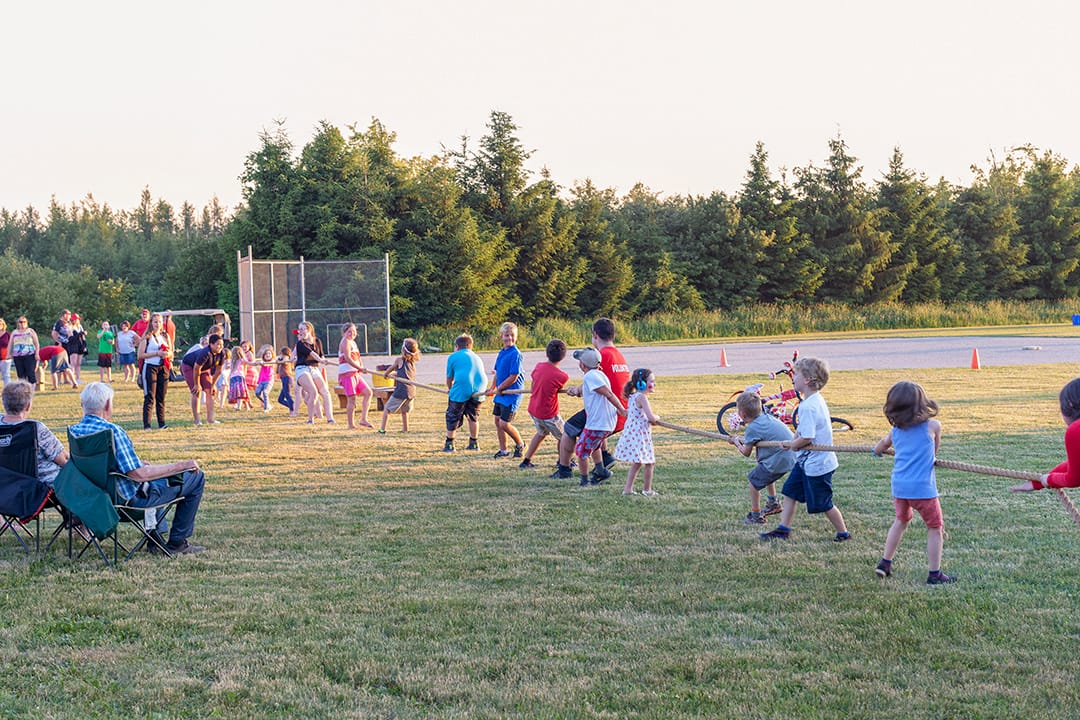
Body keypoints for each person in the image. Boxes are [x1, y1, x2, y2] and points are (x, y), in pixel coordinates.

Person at [69, 382, 207, 554]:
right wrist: (181, 466)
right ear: (107, 404)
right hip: (127, 504)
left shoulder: (75, 432)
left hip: (97, 500)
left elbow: (100, 467)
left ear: (83, 405)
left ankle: (155, 538)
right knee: (195, 478)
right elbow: (138, 475)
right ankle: (178, 542)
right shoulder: (112, 432)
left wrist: (138, 464)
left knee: (154, 478)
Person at [760, 356, 851, 542]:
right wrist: (792, 440)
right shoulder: (813, 400)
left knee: (823, 503)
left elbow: (808, 437)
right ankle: (783, 529)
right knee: (790, 492)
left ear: (807, 379)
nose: (793, 376)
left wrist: (792, 445)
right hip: (806, 462)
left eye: (797, 373)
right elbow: (802, 431)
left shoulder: (808, 406)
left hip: (818, 464)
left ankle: (843, 533)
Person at [872, 381, 954, 584]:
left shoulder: (896, 432)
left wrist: (877, 451)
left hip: (899, 488)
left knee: (901, 521)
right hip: (923, 489)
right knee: (935, 527)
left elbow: (880, 446)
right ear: (922, 404)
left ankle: (885, 563)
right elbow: (934, 452)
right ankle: (935, 574)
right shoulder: (933, 426)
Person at [552, 317, 630, 479]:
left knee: (570, 429)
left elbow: (595, 381)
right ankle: (605, 458)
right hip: (618, 410)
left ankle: (564, 470)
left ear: (595, 335)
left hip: (613, 411)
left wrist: (577, 390)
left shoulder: (602, 355)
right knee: (591, 428)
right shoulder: (618, 355)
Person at [725, 390, 793, 523]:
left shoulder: (753, 428)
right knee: (764, 470)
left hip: (779, 460)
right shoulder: (766, 417)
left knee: (753, 483)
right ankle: (773, 503)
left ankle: (756, 515)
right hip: (789, 457)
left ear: (742, 415)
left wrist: (736, 442)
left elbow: (746, 452)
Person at [1010, 377, 1080, 493]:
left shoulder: (1076, 429)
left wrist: (1047, 479)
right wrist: (1037, 482)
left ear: (1069, 405)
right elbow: (1076, 465)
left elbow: (1074, 479)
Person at [571, 346, 626, 486]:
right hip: (604, 423)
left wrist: (621, 409)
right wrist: (575, 391)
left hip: (598, 423)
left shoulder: (591, 376)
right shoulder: (598, 374)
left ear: (582, 364)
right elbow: (587, 389)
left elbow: (608, 394)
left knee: (581, 450)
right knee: (594, 446)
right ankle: (602, 472)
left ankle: (584, 481)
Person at [0, 380, 68, 486]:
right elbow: (63, 460)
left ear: (4, 403)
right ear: (28, 405)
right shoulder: (35, 428)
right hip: (37, 491)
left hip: (5, 488)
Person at [519, 339, 569, 469]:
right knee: (564, 437)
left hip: (534, 409)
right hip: (549, 413)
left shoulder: (538, 366)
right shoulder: (562, 376)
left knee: (541, 433)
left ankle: (526, 461)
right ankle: (563, 461)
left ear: (547, 353)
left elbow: (535, 381)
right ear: (563, 356)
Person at [615, 368, 661, 495]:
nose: (654, 383)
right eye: (652, 381)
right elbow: (651, 418)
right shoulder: (642, 398)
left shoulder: (633, 396)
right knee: (650, 462)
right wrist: (657, 417)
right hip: (639, 435)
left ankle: (628, 490)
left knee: (638, 462)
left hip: (635, 433)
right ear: (642, 383)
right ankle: (647, 490)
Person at [443, 333, 486, 452]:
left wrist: (451, 389)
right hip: (480, 386)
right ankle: (474, 443)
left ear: (456, 346)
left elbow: (449, 378)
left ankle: (450, 444)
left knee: (453, 415)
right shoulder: (476, 356)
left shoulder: (453, 356)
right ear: (470, 346)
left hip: (463, 385)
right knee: (473, 416)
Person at [488, 322, 526, 459]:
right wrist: (492, 388)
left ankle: (520, 444)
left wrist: (501, 388)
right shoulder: (502, 352)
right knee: (498, 421)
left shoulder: (516, 354)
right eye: (506, 335)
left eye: (512, 335)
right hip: (501, 393)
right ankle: (503, 450)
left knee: (504, 423)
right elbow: (497, 372)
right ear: (501, 336)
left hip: (511, 394)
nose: (509, 338)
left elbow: (514, 376)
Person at [294, 321, 334, 424]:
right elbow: (312, 354)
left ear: (309, 330)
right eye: (299, 329)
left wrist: (323, 360)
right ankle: (310, 419)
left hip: (314, 369)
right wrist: (320, 360)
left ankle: (330, 419)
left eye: (303, 329)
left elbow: (320, 355)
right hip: (302, 369)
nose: (300, 332)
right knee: (313, 391)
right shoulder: (300, 344)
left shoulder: (317, 341)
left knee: (325, 392)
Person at [181, 334, 226, 426]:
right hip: (189, 366)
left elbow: (218, 370)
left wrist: (213, 385)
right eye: (218, 344)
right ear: (211, 344)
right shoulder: (205, 353)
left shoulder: (221, 353)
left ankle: (210, 419)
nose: (220, 347)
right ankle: (197, 421)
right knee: (197, 391)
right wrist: (197, 384)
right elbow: (196, 368)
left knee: (210, 391)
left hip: (204, 369)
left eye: (222, 344)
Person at [137, 312, 171, 430]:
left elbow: (171, 352)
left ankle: (162, 423)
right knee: (150, 396)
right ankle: (147, 425)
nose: (158, 324)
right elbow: (140, 355)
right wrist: (157, 353)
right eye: (155, 321)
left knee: (161, 396)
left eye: (160, 322)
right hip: (150, 367)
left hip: (163, 367)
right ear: (151, 323)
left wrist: (166, 354)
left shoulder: (165, 336)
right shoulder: (146, 336)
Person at [378, 338, 419, 434]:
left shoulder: (399, 360)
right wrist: (394, 375)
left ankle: (382, 429)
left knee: (387, 408)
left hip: (401, 390)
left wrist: (386, 374)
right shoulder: (412, 363)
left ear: (403, 350)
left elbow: (390, 369)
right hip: (411, 391)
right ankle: (405, 429)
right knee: (404, 411)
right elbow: (405, 374)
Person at [337, 324, 373, 429]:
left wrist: (361, 367)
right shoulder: (345, 342)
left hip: (355, 373)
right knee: (351, 399)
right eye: (349, 331)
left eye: (354, 331)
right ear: (344, 332)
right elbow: (348, 358)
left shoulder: (353, 342)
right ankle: (350, 424)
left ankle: (363, 419)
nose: (352, 334)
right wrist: (359, 368)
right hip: (347, 374)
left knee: (368, 392)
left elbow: (357, 357)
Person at [10, 317, 40, 385]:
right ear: (18, 323)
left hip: (29, 355)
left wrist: (37, 353)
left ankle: (31, 390)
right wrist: (9, 353)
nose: (22, 323)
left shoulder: (30, 331)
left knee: (30, 373)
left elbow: (36, 343)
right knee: (21, 375)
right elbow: (10, 344)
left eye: (24, 322)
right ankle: (22, 390)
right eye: (21, 322)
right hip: (17, 356)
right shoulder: (14, 332)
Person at [253, 344, 277, 413]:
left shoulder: (273, 362)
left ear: (272, 355)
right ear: (264, 355)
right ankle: (267, 403)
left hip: (269, 380)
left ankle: (266, 408)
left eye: (269, 353)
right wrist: (260, 363)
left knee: (265, 392)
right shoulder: (262, 361)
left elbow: (269, 364)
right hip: (261, 381)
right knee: (257, 393)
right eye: (266, 354)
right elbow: (257, 362)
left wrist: (263, 364)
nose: (268, 355)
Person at [227, 346, 252, 410]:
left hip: (239, 377)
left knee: (240, 393)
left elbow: (249, 363)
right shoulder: (231, 361)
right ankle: (246, 406)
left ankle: (239, 407)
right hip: (234, 378)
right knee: (240, 393)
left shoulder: (241, 360)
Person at [66, 313, 88, 384]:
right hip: (73, 345)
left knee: (78, 363)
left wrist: (84, 345)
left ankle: (78, 378)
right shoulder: (69, 327)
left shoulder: (80, 326)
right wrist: (80, 334)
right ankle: (72, 380)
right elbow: (71, 338)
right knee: (73, 363)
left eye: (78, 319)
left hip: (80, 345)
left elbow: (83, 338)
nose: (77, 320)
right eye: (76, 319)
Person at [276, 347, 296, 416]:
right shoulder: (281, 359)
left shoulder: (286, 358)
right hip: (283, 379)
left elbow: (284, 361)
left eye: (281, 353)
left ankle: (293, 410)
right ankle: (293, 406)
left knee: (288, 395)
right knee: (280, 399)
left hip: (287, 378)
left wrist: (279, 361)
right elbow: (277, 369)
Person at [0, 317, 11, 385]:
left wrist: (10, 354)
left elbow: (12, 345)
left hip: (5, 358)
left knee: (6, 376)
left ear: (3, 325)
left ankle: (8, 392)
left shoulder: (7, 335)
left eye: (0, 324)